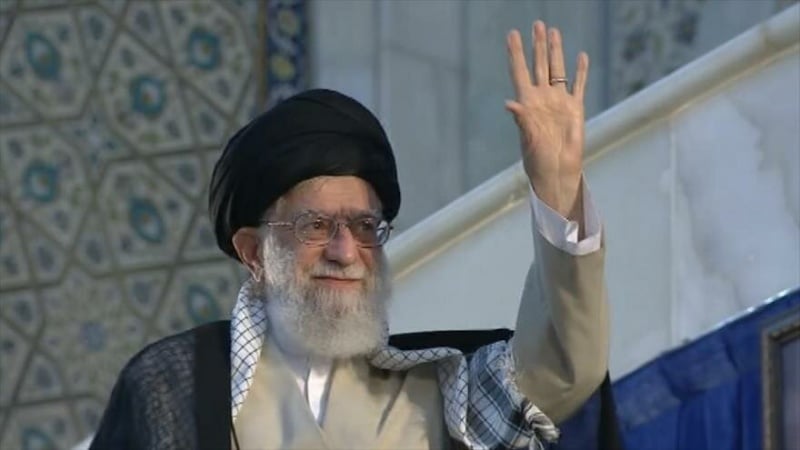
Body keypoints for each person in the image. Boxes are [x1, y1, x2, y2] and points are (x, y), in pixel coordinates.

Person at [90, 21, 614, 450]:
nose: (345, 252)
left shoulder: (442, 390)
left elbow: (567, 366)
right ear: (254, 252)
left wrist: (558, 185)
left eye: (365, 228)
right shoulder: (177, 387)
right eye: (316, 226)